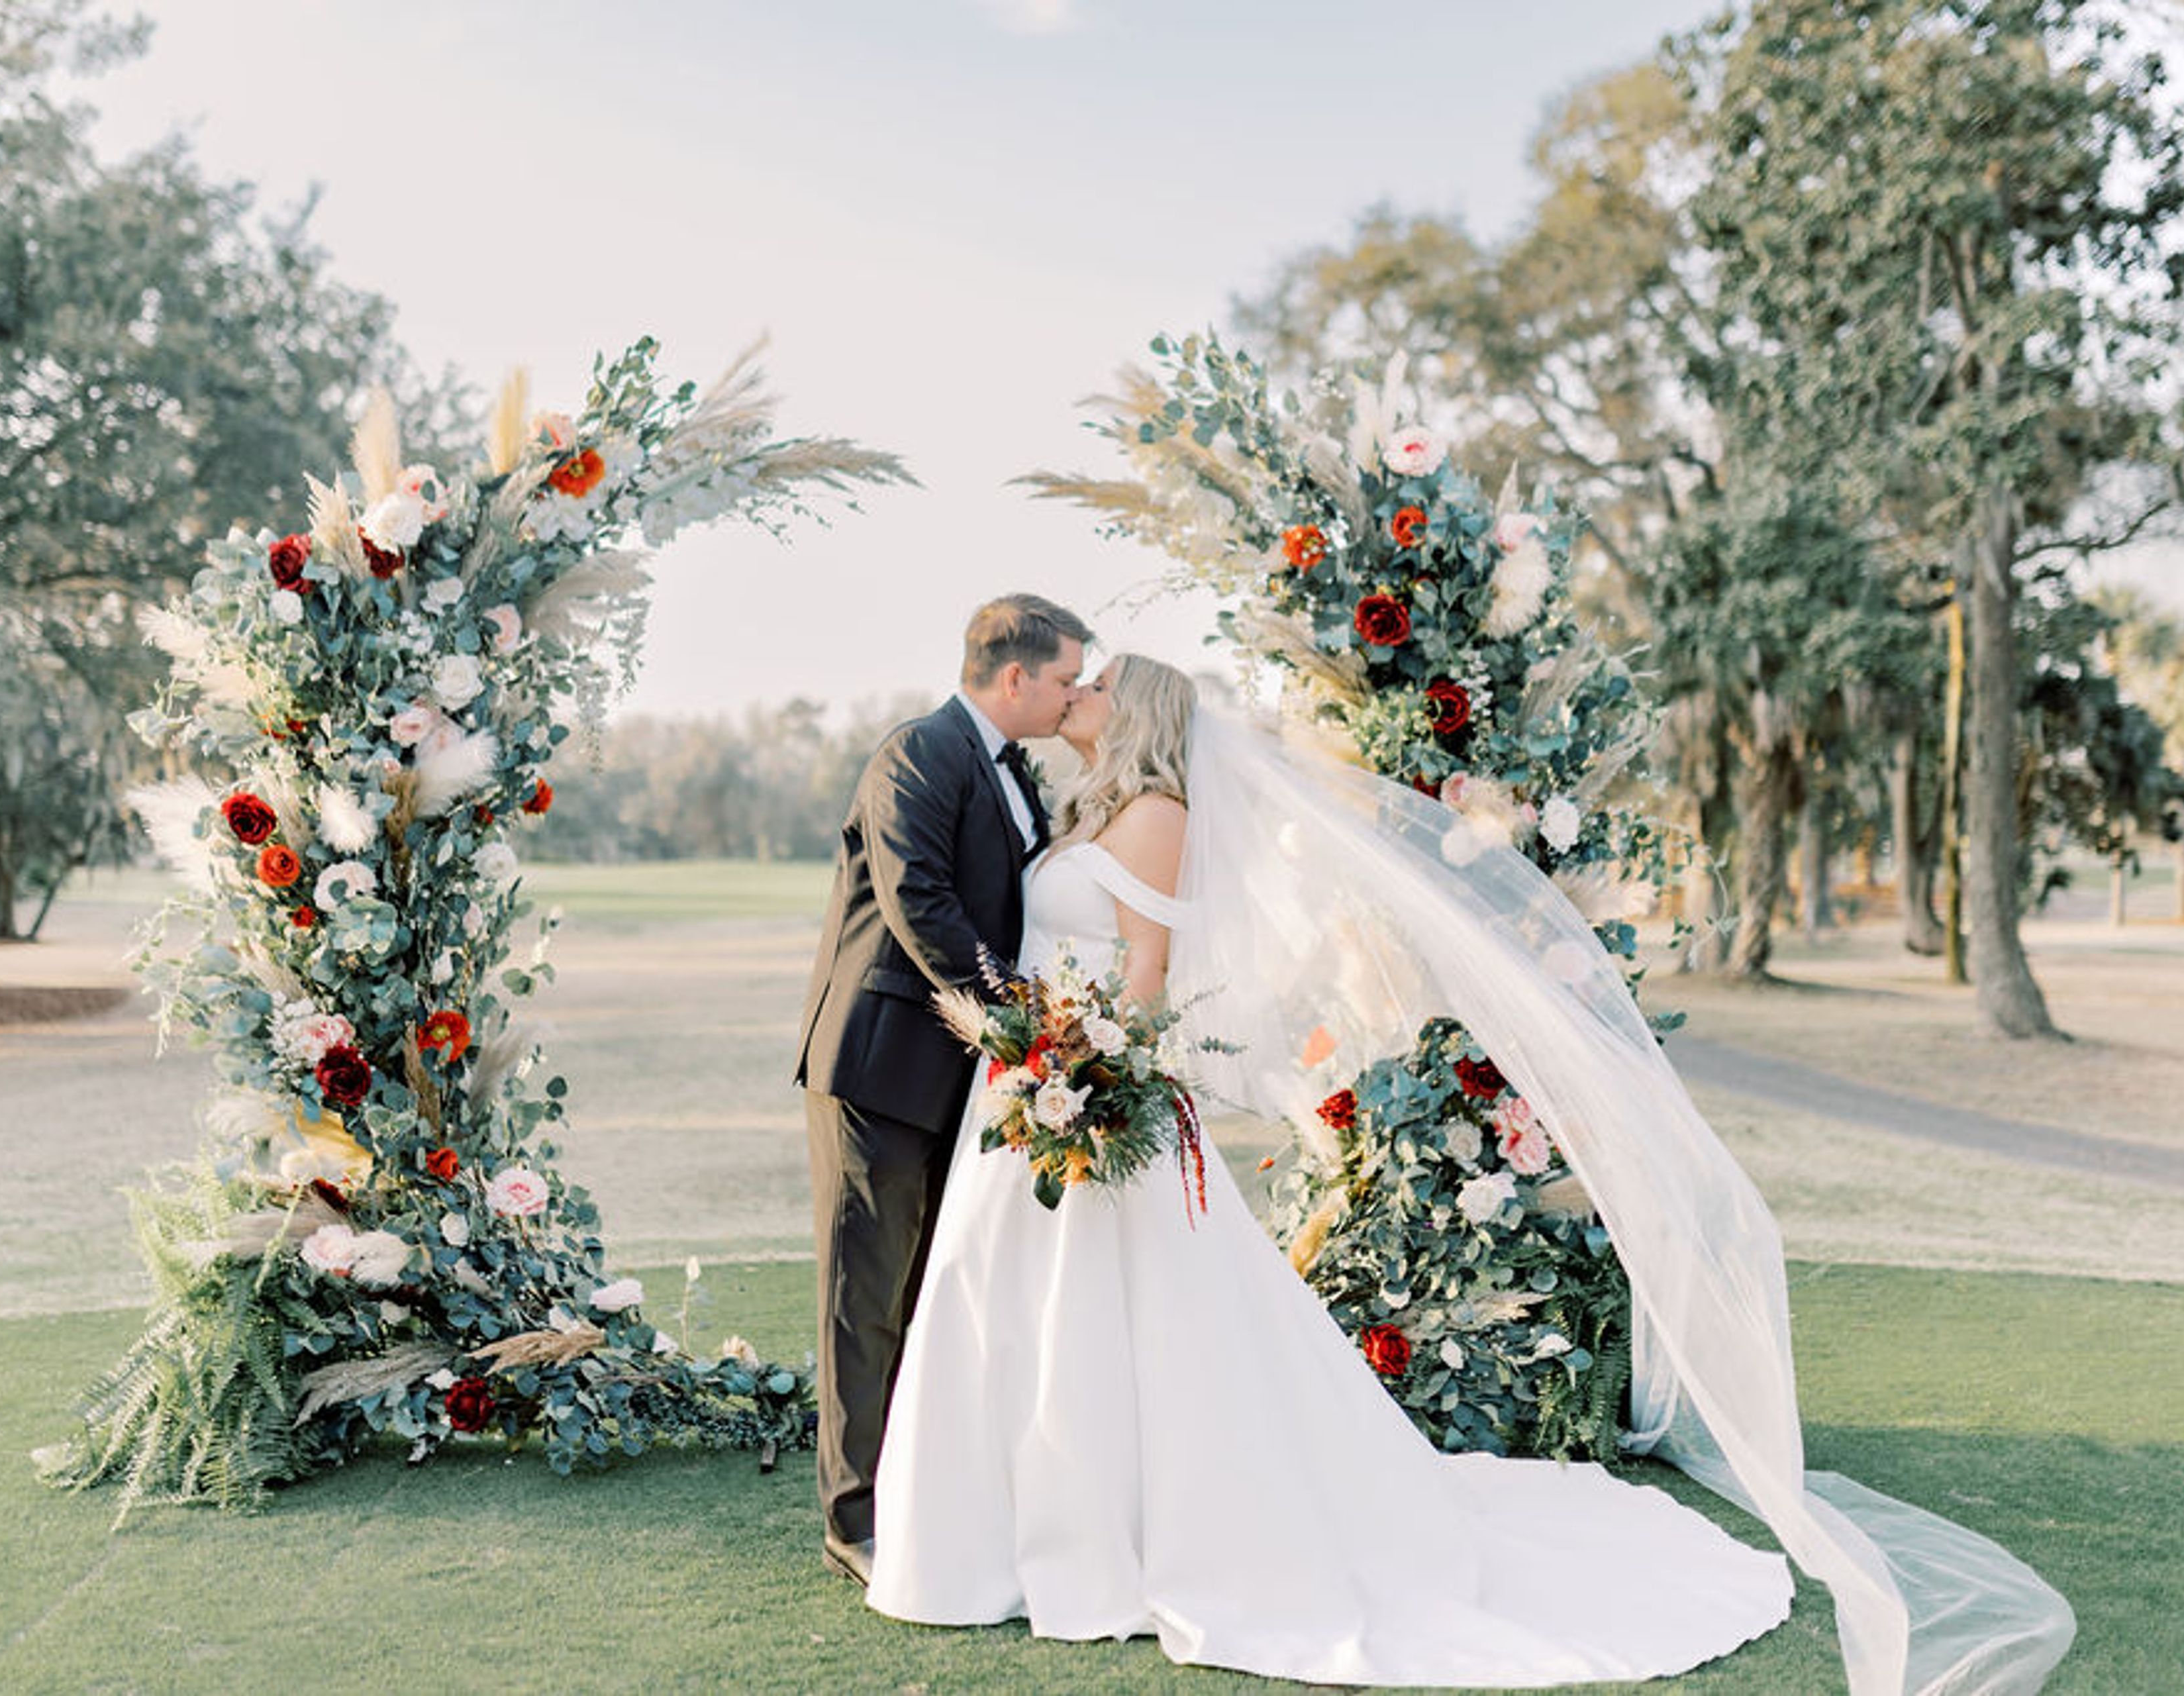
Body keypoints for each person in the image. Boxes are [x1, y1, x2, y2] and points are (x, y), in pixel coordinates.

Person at [865, 655, 2075, 1693]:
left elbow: (1148, 973)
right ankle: (1002, 1533)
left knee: (1114, 1328)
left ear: (1136, 714)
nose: (1078, 690)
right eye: (1073, 678)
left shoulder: (1157, 812)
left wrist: (1086, 1069)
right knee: (1011, 1307)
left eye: (1098, 683)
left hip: (1091, 1092)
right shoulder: (1085, 807)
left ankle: (1115, 1538)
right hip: (1034, 1091)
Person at [792, 592, 1091, 1587]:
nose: (1072, 694)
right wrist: (1017, 1012)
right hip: (880, 1065)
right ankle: (853, 1518)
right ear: (1015, 676)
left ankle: (917, 1491)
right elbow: (919, 899)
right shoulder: (918, 753)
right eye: (1064, 678)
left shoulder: (1014, 770)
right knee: (863, 1295)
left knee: (927, 1287)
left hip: (957, 1073)